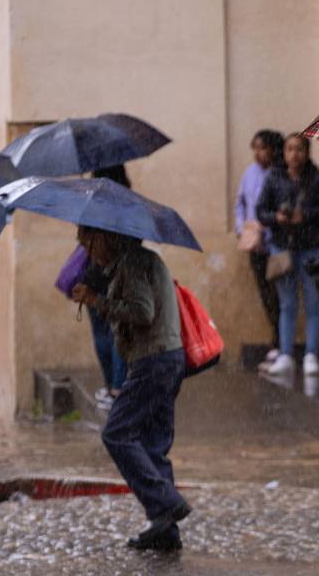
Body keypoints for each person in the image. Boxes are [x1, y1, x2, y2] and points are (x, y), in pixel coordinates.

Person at [70, 226, 190, 552]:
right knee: (153, 444)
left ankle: (166, 502)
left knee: (117, 433)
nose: (87, 253)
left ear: (103, 238)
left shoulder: (133, 263)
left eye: (88, 244)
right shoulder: (139, 261)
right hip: (166, 358)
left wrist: (98, 301)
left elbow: (142, 311)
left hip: (153, 360)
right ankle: (164, 528)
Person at [255, 133, 319, 375]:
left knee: (313, 303)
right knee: (287, 303)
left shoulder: (317, 177)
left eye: (299, 149)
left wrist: (306, 216)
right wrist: (276, 217)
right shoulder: (275, 177)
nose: (294, 154)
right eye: (289, 149)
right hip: (283, 248)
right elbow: (260, 211)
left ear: (307, 152)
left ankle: (311, 353)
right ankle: (286, 354)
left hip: (311, 248)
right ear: (284, 152)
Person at [234, 129, 284, 371]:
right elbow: (240, 203)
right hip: (254, 243)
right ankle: (276, 338)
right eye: (255, 148)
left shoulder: (278, 173)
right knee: (266, 293)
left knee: (280, 294)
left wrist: (270, 226)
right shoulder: (249, 173)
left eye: (262, 148)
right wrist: (241, 227)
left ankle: (281, 342)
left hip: (274, 241)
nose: (258, 153)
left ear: (273, 150)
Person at [85, 165, 131, 411]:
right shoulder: (128, 203)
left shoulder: (91, 202)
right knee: (118, 332)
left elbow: (83, 238)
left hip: (95, 276)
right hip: (121, 275)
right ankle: (117, 386)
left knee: (102, 333)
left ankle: (110, 383)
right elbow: (136, 239)